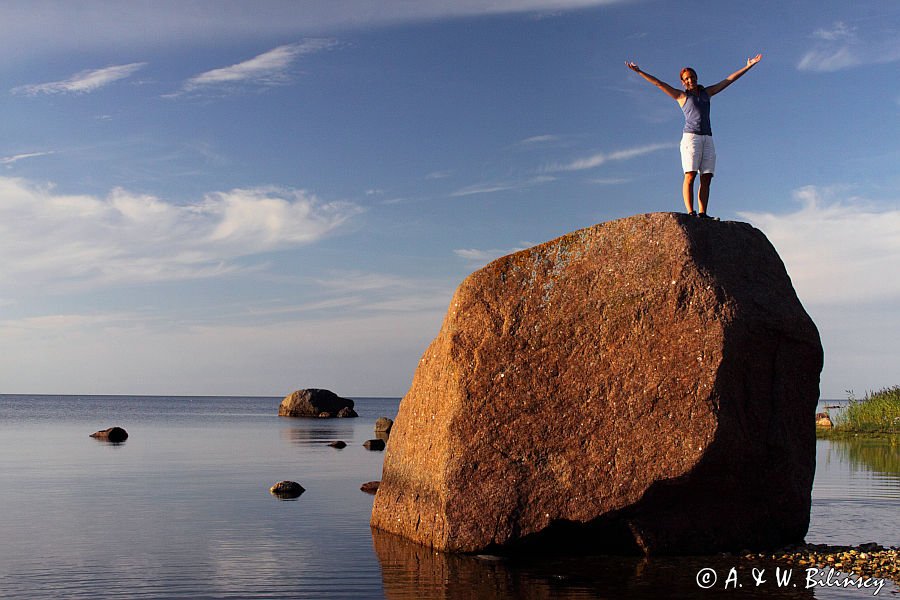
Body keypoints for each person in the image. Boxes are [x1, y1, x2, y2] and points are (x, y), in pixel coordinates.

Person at [625, 55, 762, 218]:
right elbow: (659, 83)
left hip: (708, 138)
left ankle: (703, 213)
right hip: (692, 138)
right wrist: (639, 72)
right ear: (683, 82)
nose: (690, 80)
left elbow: (728, 80)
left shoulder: (707, 93)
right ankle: (691, 213)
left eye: (692, 77)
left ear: (696, 78)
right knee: (690, 174)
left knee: (707, 176)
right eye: (686, 79)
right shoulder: (682, 96)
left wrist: (748, 66)